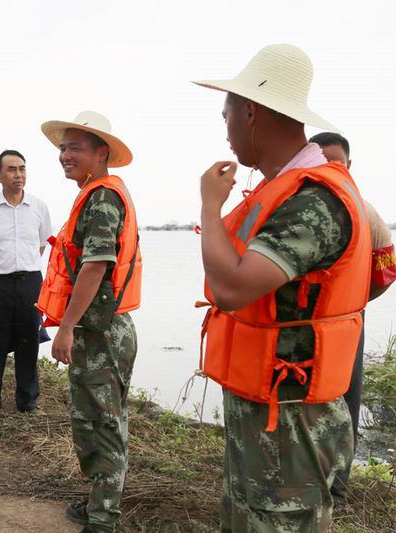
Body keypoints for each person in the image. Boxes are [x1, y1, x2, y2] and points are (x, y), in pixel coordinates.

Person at [194, 44, 371, 530]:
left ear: (250, 112)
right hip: (267, 406)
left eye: (226, 115)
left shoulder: (314, 200)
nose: (225, 130)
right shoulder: (283, 189)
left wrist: (209, 207)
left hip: (293, 420)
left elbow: (232, 290)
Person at [38, 111, 142, 533]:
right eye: (63, 148)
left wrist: (65, 328)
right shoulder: (92, 194)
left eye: (75, 148)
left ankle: (103, 520)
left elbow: (96, 267)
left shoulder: (103, 198)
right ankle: (99, 500)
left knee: (105, 425)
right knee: (89, 423)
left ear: (101, 154)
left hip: (103, 333)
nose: (65, 155)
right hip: (92, 329)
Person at [308, 131, 395, 502]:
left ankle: (338, 486)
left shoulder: (365, 211)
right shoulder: (297, 208)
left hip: (345, 323)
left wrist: (355, 302)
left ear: (349, 165)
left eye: (336, 162)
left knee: (345, 398)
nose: (329, 169)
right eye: (320, 161)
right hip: (301, 325)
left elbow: (386, 272)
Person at [0, 149, 52, 415]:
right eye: (12, 169)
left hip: (30, 283)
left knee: (29, 341)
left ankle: (28, 402)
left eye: (22, 168)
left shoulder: (39, 207)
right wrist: (2, 264)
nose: (18, 174)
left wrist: (23, 265)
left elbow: (41, 243)